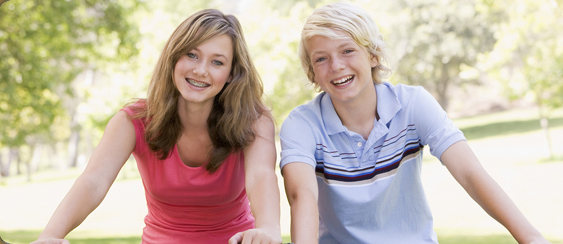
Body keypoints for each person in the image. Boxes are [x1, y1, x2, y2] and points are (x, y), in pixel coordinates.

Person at [279, 2, 551, 244]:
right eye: (321, 58)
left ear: (373, 55)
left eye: (348, 50)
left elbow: (470, 174)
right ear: (312, 71)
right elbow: (301, 196)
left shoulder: (413, 105)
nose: (336, 65)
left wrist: (531, 238)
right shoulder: (302, 125)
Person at [32, 9, 282, 244]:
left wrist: (269, 228)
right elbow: (93, 181)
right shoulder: (132, 121)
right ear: (174, 58)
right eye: (192, 55)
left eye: (217, 62)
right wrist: (50, 236)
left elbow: (261, 175)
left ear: (231, 73)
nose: (200, 70)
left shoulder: (254, 121)